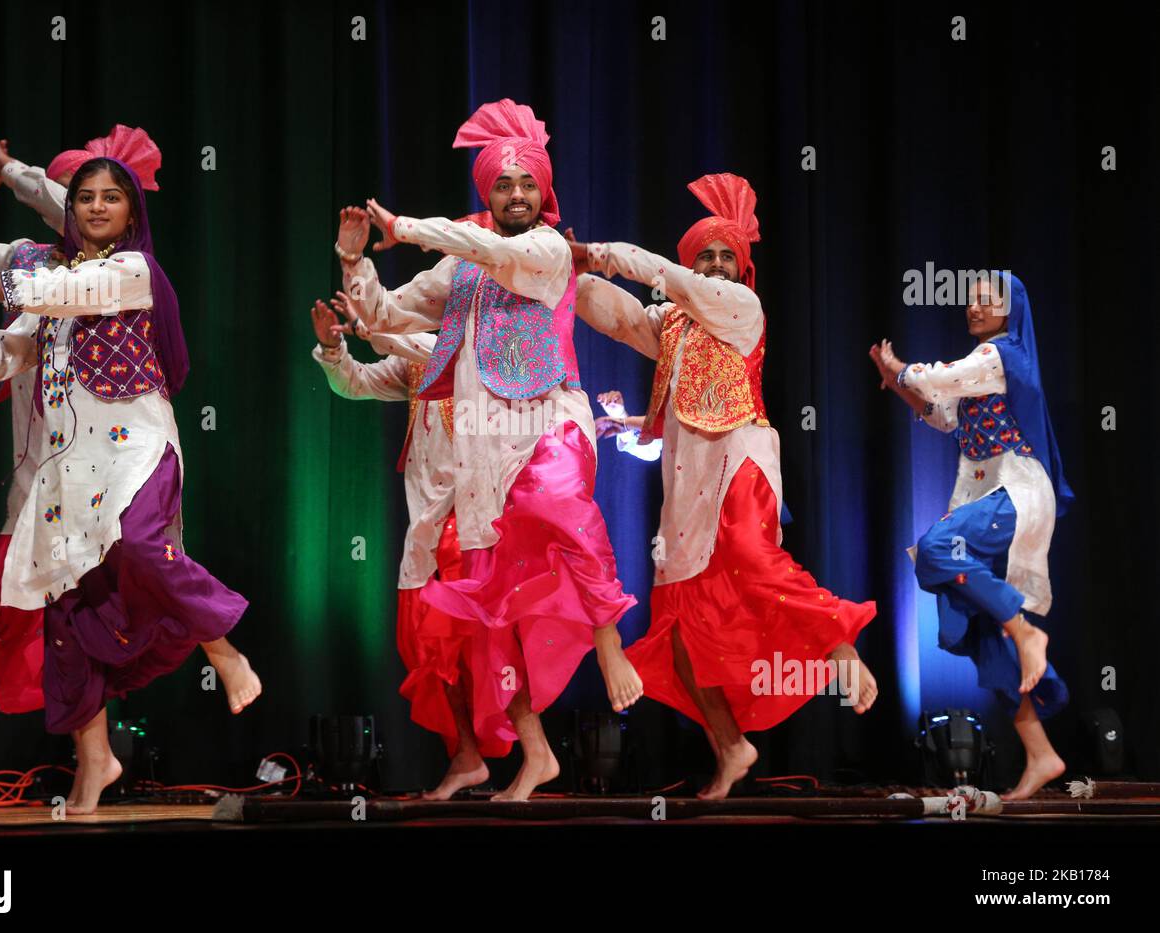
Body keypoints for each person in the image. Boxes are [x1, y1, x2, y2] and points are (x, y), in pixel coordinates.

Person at [0, 156, 258, 814]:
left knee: (137, 546)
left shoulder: (133, 272)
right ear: (69, 211)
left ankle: (224, 649)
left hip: (135, 448)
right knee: (67, 618)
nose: (97, 207)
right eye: (86, 198)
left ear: (133, 212)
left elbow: (63, 292)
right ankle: (94, 761)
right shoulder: (49, 289)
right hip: (68, 471)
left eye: (112, 198)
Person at [332, 99, 641, 800]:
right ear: (487, 193)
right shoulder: (458, 273)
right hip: (479, 451)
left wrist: (405, 227)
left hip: (548, 421)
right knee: (492, 609)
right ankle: (535, 752)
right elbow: (384, 314)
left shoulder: (546, 250)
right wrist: (355, 264)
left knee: (560, 501)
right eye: (503, 185)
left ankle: (608, 638)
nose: (517, 195)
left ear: (544, 192)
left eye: (528, 183)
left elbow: (493, 251)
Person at [570, 173, 878, 799]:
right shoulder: (677, 327)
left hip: (741, 452)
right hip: (687, 475)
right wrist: (568, 276)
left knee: (752, 558)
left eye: (725, 257)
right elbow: (624, 317)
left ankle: (838, 642)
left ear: (741, 270)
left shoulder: (743, 310)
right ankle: (730, 746)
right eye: (704, 256)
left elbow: (664, 279)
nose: (713, 266)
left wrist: (599, 253)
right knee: (681, 619)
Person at [870, 271, 1072, 799]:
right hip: (984, 497)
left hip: (1016, 491)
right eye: (971, 301)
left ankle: (1027, 632)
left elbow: (938, 379)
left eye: (987, 301)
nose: (974, 308)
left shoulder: (999, 355)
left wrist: (902, 369)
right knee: (984, 632)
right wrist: (899, 385)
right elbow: (941, 414)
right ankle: (1041, 752)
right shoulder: (983, 368)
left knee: (937, 549)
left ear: (1010, 311)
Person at [311, 296, 511, 797]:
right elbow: (354, 383)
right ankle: (466, 754)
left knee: (490, 648)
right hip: (427, 524)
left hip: (477, 522)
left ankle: (534, 755)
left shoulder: (495, 348)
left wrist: (370, 329)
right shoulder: (415, 358)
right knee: (427, 643)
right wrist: (332, 348)